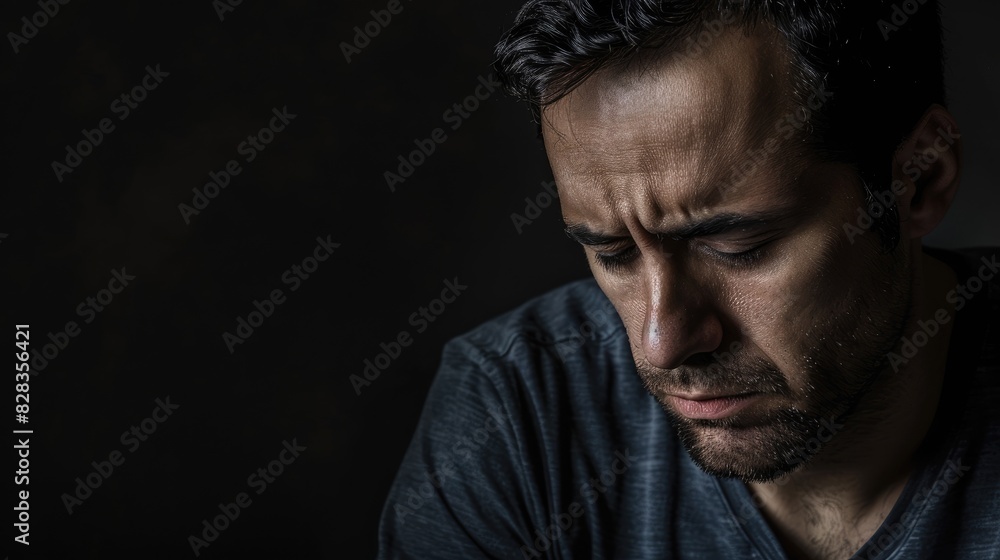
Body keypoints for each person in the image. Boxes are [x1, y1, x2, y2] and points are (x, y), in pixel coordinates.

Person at [378, 1, 1000, 558]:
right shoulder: (518, 413)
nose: (661, 342)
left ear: (920, 178)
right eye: (614, 254)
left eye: (738, 246)